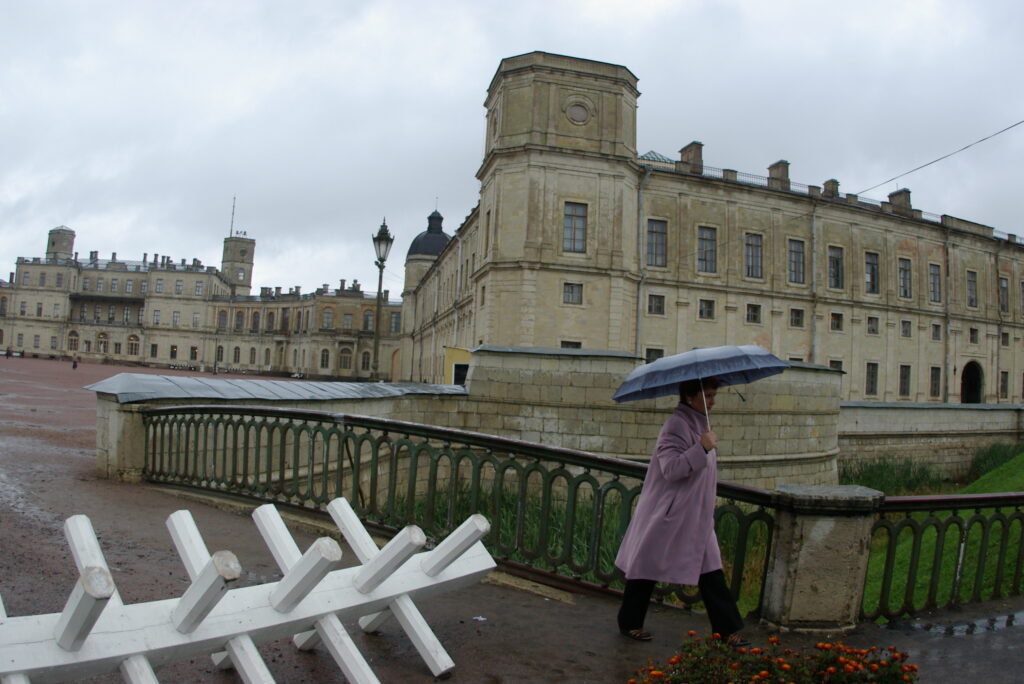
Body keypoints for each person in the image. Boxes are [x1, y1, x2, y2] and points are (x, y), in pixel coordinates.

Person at [614, 376, 746, 644]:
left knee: (711, 571)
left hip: (695, 515)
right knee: (645, 567)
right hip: (670, 513)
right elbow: (671, 469)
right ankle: (629, 623)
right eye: (707, 396)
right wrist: (702, 448)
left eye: (713, 396)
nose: (712, 401)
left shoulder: (700, 423)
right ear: (689, 396)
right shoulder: (676, 425)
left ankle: (728, 631)